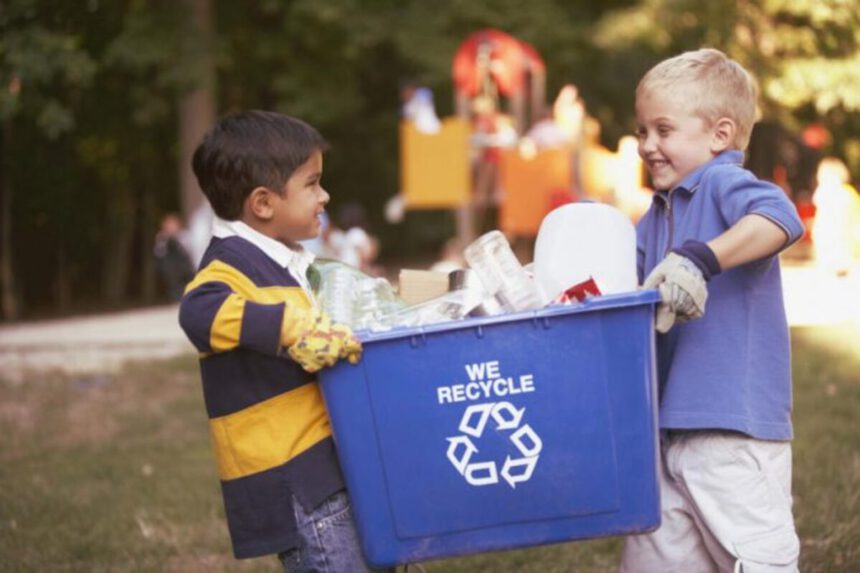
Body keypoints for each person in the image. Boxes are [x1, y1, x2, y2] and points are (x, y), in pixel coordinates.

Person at [621, 49, 805, 572]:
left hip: (730, 426)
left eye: (662, 130)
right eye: (641, 131)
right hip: (664, 429)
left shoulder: (722, 184)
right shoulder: (653, 215)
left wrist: (704, 258)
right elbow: (618, 289)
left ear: (719, 136)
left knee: (755, 558)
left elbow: (781, 219)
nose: (646, 146)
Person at [177, 110, 376, 572]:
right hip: (297, 482)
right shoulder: (227, 269)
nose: (324, 196)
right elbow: (198, 313)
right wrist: (293, 328)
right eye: (312, 184)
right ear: (263, 204)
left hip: (325, 466)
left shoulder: (289, 262)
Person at [153, 213, 194, 302]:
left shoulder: (184, 236)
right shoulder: (162, 239)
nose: (170, 228)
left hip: (186, 270)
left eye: (172, 225)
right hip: (173, 273)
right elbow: (159, 254)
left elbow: (191, 251)